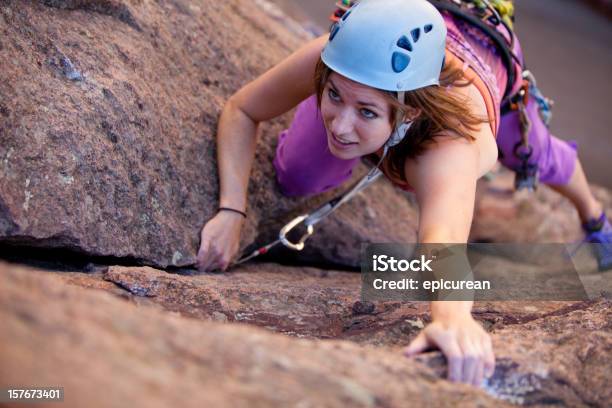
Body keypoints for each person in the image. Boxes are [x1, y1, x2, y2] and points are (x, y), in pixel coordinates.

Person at [196, 0, 611, 386]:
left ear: (410, 112)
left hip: (480, 44)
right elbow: (243, 109)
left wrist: (451, 320)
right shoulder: (352, 54)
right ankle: (369, 128)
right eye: (333, 96)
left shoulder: (449, 149)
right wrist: (232, 209)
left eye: (365, 111)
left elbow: (442, 242)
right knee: (296, 176)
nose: (339, 126)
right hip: (405, 33)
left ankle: (595, 217)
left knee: (538, 153)